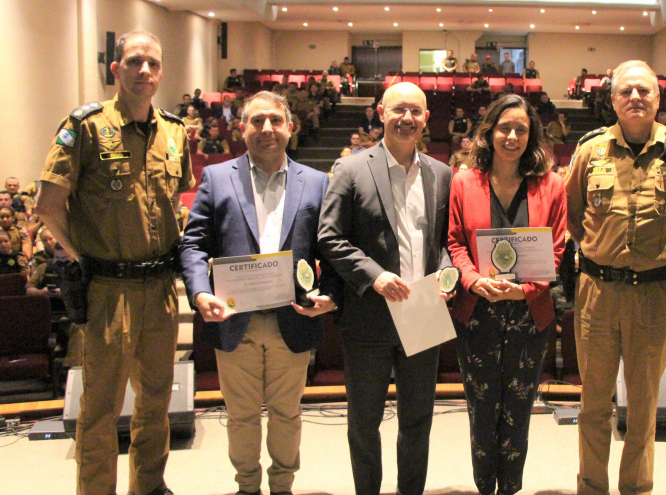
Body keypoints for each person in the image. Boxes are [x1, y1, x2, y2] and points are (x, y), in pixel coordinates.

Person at [35, 29, 193, 495]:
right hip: (108, 290)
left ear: (162, 71)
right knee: (101, 408)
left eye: (153, 64)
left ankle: (148, 485)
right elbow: (47, 203)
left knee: (156, 402)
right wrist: (81, 256)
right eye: (135, 62)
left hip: (160, 288)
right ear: (116, 68)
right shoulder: (85, 126)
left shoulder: (174, 130)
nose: (145, 72)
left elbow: (176, 205)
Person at [180, 91, 341, 495]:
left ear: (291, 127)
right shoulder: (216, 177)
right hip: (235, 320)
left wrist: (330, 293)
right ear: (241, 128)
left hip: (293, 318)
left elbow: (333, 250)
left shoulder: (318, 183)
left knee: (288, 414)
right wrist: (200, 294)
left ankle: (283, 487)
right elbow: (194, 245)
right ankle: (247, 487)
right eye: (256, 121)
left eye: (274, 120)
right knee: (241, 417)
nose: (266, 129)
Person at [565, 60, 666, 494]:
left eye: (644, 91)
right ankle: (592, 486)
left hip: (654, 293)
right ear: (612, 99)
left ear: (658, 99)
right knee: (593, 402)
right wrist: (600, 250)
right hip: (598, 292)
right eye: (626, 91)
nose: (635, 98)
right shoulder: (589, 150)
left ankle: (637, 488)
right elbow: (574, 215)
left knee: (644, 404)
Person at [317, 82, 454, 495]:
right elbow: (329, 237)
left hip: (424, 311)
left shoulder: (442, 173)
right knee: (364, 421)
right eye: (399, 110)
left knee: (418, 420)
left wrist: (448, 275)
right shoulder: (351, 169)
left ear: (427, 118)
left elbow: (446, 242)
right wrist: (374, 275)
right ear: (381, 113)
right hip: (369, 316)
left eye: (416, 111)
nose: (407, 118)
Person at [447, 94, 567, 494]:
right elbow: (455, 241)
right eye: (504, 128)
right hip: (477, 310)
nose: (512, 136)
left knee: (518, 409)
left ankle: (510, 488)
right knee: (482, 409)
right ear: (489, 131)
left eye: (521, 129)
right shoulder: (464, 181)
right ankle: (485, 487)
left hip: (530, 314)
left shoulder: (551, 185)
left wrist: (526, 290)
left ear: (531, 135)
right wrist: (472, 280)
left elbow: (557, 249)